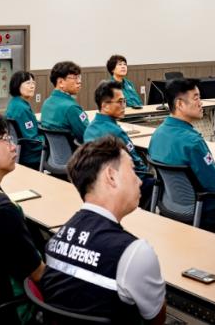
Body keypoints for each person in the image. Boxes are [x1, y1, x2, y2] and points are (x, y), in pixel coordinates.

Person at [39, 136, 166, 324]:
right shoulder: (135, 252)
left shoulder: (55, 239)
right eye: (132, 170)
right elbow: (156, 318)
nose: (140, 181)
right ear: (111, 176)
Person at [0, 112, 45, 324]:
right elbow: (39, 274)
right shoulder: (2, 212)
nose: (13, 147)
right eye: (5, 139)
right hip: (12, 312)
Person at [148, 78, 215, 233]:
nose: (201, 103)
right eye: (196, 98)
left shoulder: (157, 134)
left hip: (171, 206)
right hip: (205, 213)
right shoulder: (193, 142)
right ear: (179, 104)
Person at [84, 80, 154, 208]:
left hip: (99, 184)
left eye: (124, 101)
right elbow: (137, 164)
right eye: (120, 102)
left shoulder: (90, 128)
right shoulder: (116, 132)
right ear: (105, 106)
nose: (124, 106)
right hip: (122, 186)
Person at [40, 61, 89, 143]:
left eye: (79, 77)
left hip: (53, 151)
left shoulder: (47, 103)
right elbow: (87, 136)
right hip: (74, 150)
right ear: (61, 82)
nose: (79, 81)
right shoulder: (71, 108)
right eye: (75, 78)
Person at [5, 71, 43, 169]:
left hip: (20, 152)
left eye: (33, 83)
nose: (32, 86)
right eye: (28, 83)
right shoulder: (21, 108)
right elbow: (33, 141)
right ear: (17, 85)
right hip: (31, 157)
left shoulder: (15, 103)